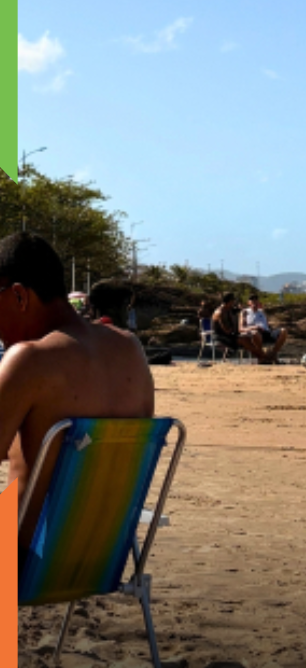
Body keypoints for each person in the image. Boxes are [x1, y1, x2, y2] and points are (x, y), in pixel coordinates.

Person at [0, 233, 155, 564]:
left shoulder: (28, 360)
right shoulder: (131, 350)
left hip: (24, 563)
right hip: (100, 559)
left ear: (19, 296)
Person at [212, 292, 266, 362]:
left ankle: (262, 357)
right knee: (243, 339)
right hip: (221, 337)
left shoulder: (228, 309)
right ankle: (264, 356)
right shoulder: (220, 312)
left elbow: (237, 310)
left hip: (229, 335)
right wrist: (237, 332)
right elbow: (226, 330)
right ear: (230, 301)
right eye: (233, 301)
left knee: (248, 338)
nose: (233, 303)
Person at [239, 293, 289, 362]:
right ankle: (261, 356)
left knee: (284, 331)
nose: (254, 302)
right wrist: (253, 327)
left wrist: (271, 327)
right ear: (248, 303)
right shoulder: (245, 312)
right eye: (252, 300)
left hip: (266, 332)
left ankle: (273, 354)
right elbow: (241, 329)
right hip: (255, 333)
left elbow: (267, 324)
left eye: (256, 300)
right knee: (255, 333)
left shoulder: (262, 311)